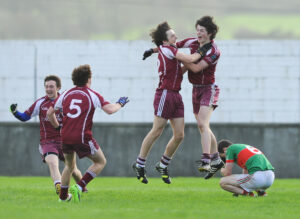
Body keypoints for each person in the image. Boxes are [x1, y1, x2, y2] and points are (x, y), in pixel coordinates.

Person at [143, 16, 223, 179]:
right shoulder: (192, 42)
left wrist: (180, 59)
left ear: (210, 33)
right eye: (197, 29)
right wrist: (153, 50)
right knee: (203, 126)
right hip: (196, 90)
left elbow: (195, 67)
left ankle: (206, 160)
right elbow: (171, 46)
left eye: (202, 31)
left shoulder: (214, 51)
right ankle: (216, 160)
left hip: (209, 89)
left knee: (202, 123)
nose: (198, 33)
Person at [47, 64, 129, 202]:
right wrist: (120, 103)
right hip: (82, 137)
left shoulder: (66, 93)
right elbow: (109, 110)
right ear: (88, 79)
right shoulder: (92, 94)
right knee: (100, 162)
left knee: (69, 166)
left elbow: (50, 113)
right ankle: (79, 187)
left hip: (65, 136)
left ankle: (63, 197)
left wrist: (57, 128)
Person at [10, 75, 85, 195]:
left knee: (73, 169)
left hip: (65, 141)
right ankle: (59, 186)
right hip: (48, 141)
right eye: (46, 86)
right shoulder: (40, 103)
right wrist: (15, 112)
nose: (48, 89)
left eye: (51, 86)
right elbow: (25, 117)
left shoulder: (66, 102)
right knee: (52, 162)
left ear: (58, 88)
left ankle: (83, 188)